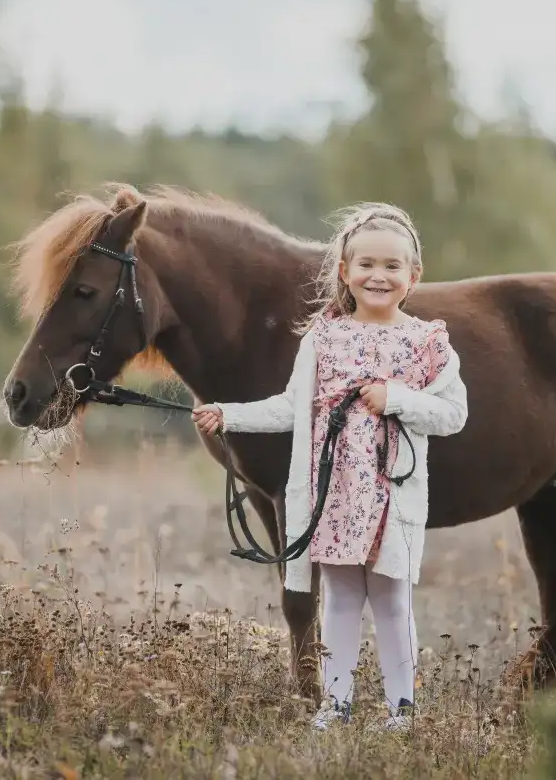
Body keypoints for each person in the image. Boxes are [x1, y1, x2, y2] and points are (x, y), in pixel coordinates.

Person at [192, 202, 469, 732]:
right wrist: (229, 414)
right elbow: (289, 407)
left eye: (392, 266)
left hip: (390, 496)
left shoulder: (428, 343)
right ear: (344, 271)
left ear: (414, 276)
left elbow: (454, 414)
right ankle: (335, 704)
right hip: (334, 495)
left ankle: (401, 710)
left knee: (391, 600)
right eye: (366, 264)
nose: (378, 276)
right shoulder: (322, 338)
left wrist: (397, 398)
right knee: (340, 598)